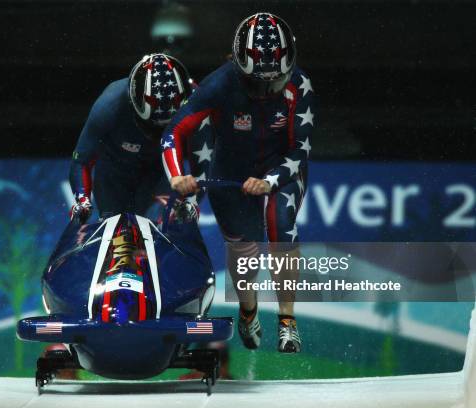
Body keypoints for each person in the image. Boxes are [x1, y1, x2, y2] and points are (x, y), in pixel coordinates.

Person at [161, 13, 314, 353]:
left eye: (276, 81)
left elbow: (299, 149)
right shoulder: (218, 85)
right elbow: (174, 132)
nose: (267, 91)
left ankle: (287, 320)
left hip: (281, 167)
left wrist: (271, 180)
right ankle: (249, 310)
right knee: (244, 249)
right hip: (231, 170)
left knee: (280, 223)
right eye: (258, 83)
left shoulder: (299, 86)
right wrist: (176, 175)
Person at [69, 53, 209, 223]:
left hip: (161, 174)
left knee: (166, 223)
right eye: (153, 125)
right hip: (114, 175)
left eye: (168, 127)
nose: (159, 133)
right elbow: (81, 160)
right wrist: (82, 201)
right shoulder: (109, 106)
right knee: (118, 233)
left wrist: (191, 202)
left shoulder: (199, 103)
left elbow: (205, 158)